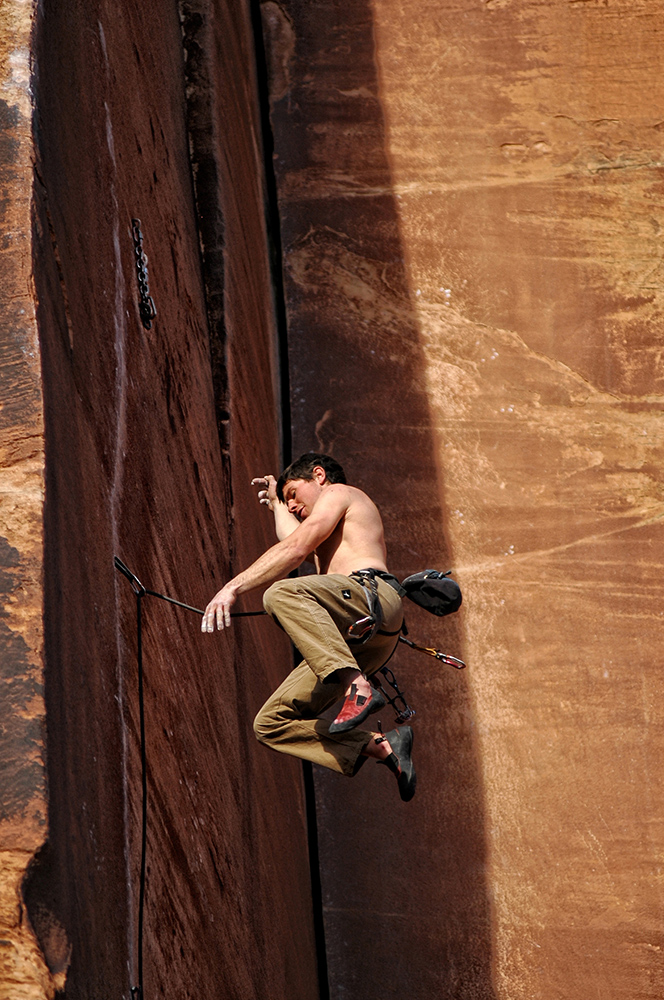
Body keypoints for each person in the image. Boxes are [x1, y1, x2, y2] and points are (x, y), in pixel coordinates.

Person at [201, 453, 416, 801]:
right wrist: (276, 502)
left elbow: (297, 548)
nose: (293, 505)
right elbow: (296, 538)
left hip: (371, 598)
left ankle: (356, 685)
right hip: (359, 634)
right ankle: (381, 747)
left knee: (280, 594)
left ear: (318, 475)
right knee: (270, 724)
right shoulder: (324, 526)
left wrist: (233, 587)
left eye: (294, 494)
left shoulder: (339, 493)